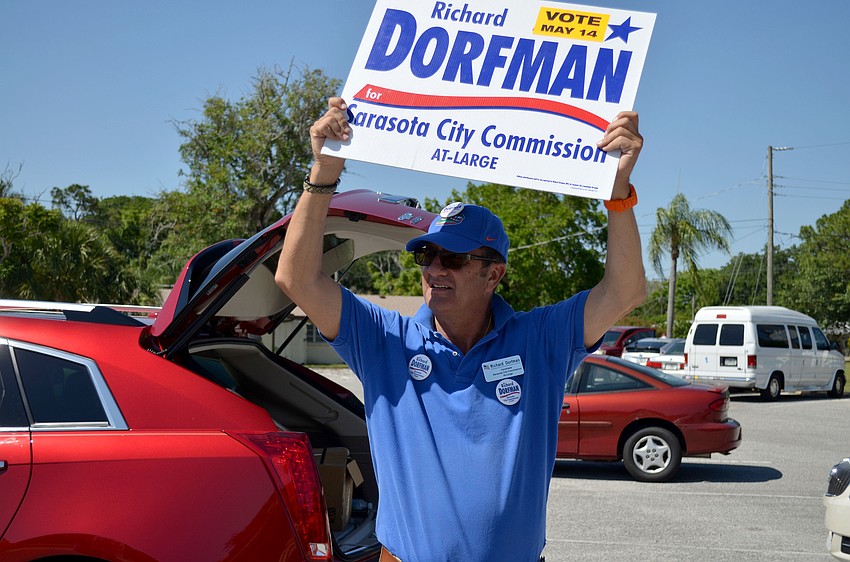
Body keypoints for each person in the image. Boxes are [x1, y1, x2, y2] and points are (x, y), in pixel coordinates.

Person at [276, 97, 646, 562]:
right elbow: (296, 279)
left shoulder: (540, 340)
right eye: (426, 257)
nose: (434, 270)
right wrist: (324, 171)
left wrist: (617, 190)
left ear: (494, 274)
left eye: (452, 258)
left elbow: (624, 291)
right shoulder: (385, 340)